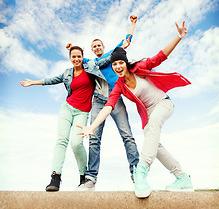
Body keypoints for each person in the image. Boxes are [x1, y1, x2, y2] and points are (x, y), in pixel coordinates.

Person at [77, 21, 194, 198]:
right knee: (154, 144)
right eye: (114, 64)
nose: (117, 67)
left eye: (120, 63)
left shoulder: (139, 68)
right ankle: (182, 177)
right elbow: (108, 107)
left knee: (152, 128)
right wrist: (92, 127)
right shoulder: (119, 85)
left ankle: (141, 172)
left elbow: (160, 57)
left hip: (163, 103)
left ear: (125, 63)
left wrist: (179, 36)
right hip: (148, 113)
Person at [68, 15, 140, 191]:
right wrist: (70, 49)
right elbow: (76, 60)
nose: (97, 47)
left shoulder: (112, 54)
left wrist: (132, 24)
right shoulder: (90, 62)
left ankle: (137, 173)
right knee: (93, 139)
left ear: (103, 46)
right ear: (92, 50)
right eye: (94, 47)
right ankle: (90, 178)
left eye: (99, 45)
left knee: (127, 135)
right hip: (99, 101)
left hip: (116, 99)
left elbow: (126, 41)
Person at [19, 46, 98, 191]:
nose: (76, 59)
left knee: (76, 143)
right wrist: (33, 82)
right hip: (67, 108)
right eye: (73, 56)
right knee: (61, 140)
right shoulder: (68, 73)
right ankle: (55, 177)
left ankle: (83, 177)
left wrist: (121, 48)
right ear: (70, 58)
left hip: (82, 112)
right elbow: (51, 80)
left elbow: (105, 60)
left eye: (78, 56)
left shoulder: (90, 70)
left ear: (82, 57)